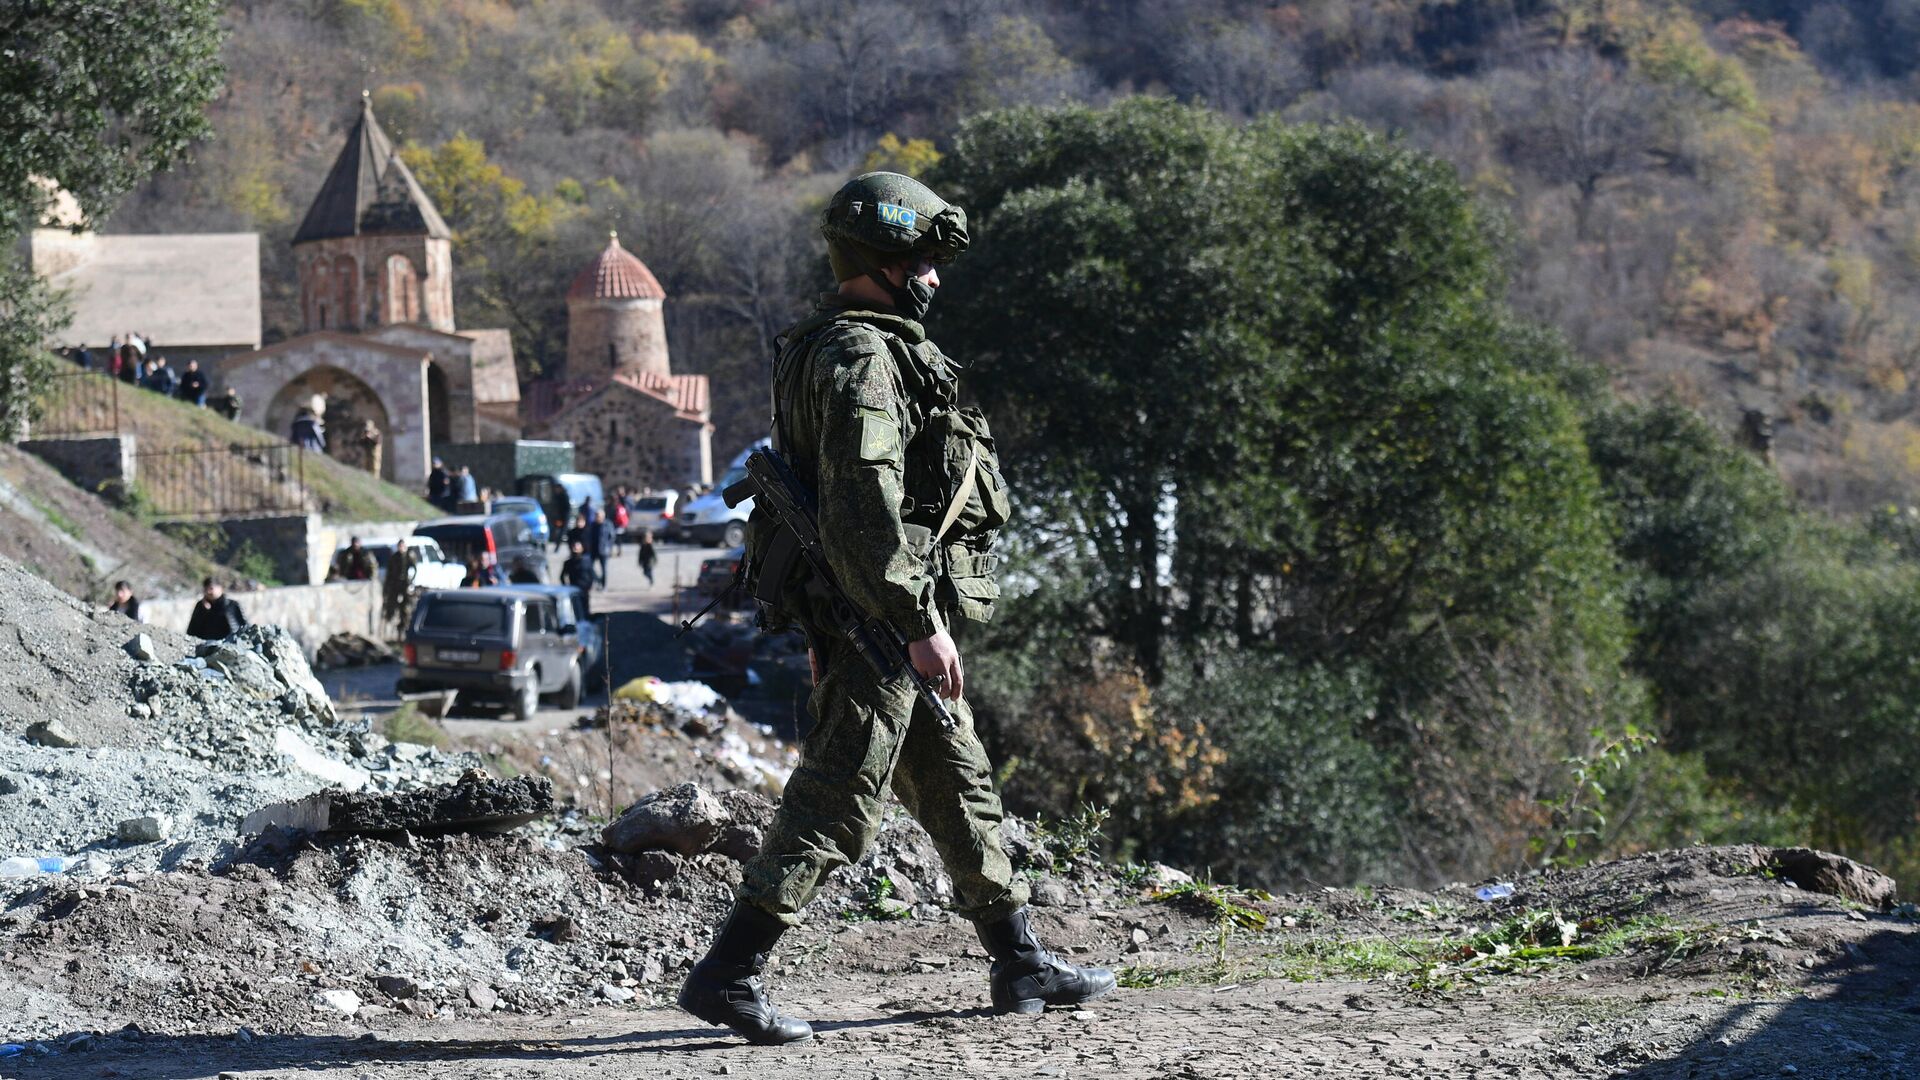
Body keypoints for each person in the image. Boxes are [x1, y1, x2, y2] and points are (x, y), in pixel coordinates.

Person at [676, 173, 1112, 1046]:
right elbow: (865, 512)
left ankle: (1018, 958)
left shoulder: (840, 346)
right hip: (879, 615)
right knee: (838, 794)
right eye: (919, 262)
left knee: (957, 781)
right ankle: (728, 973)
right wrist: (918, 625)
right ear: (878, 262)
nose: (934, 280)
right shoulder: (862, 358)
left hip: (872, 611)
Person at [382, 538, 418, 629]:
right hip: (395, 585)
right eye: (400, 546)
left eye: (403, 546)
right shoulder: (394, 557)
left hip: (406, 584)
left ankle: (404, 625)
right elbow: (389, 573)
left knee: (405, 606)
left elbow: (413, 570)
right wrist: (387, 586)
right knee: (392, 605)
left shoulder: (409, 556)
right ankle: (390, 624)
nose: (401, 548)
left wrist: (410, 582)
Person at [586, 509, 613, 591]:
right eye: (596, 516)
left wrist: (608, 547)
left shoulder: (608, 524)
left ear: (603, 516)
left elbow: (612, 537)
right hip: (593, 549)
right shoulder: (593, 525)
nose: (598, 517)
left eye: (599, 516)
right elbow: (589, 536)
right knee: (589, 567)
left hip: (604, 550)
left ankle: (604, 586)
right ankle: (597, 581)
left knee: (604, 569)